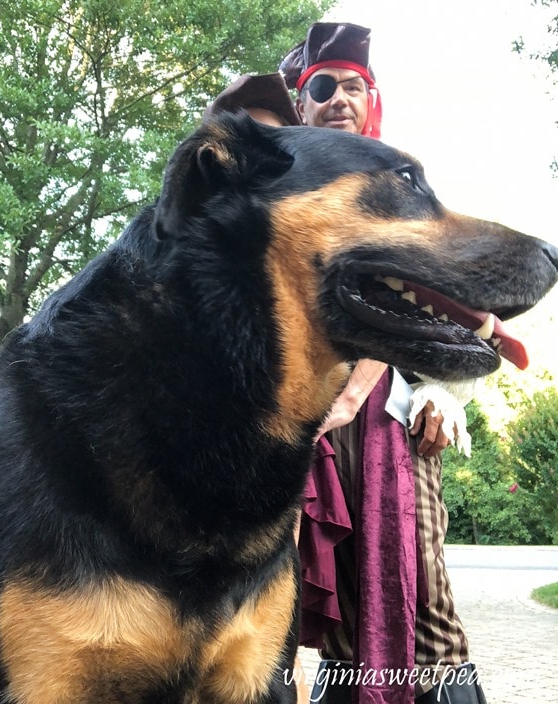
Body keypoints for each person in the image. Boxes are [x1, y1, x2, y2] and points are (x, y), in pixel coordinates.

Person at [205, 50, 484, 703]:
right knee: (274, 613)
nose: (338, 99)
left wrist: (440, 393)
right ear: (300, 109)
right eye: (321, 86)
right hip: (273, 438)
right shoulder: (257, 203)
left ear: (371, 100)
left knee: (417, 605)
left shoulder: (402, 199)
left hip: (383, 433)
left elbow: (447, 320)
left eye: (352, 86)